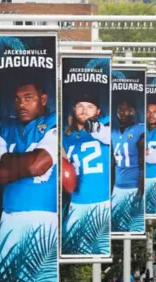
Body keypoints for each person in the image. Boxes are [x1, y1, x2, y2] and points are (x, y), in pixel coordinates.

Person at [0, 79, 58, 282]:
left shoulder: (53, 123)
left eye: (28, 98)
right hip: (9, 214)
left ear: (43, 99)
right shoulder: (7, 126)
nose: (21, 104)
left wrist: (11, 161)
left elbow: (37, 165)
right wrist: (25, 161)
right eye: (17, 99)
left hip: (41, 215)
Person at [62, 91, 111, 253]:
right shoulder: (66, 136)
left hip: (101, 202)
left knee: (101, 250)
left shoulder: (105, 125)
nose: (84, 110)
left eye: (90, 107)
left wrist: (96, 128)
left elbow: (110, 136)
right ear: (74, 109)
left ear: (98, 112)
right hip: (76, 203)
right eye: (80, 106)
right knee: (76, 253)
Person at [110, 101, 145, 232]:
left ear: (132, 112)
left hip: (134, 187)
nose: (121, 112)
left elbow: (144, 165)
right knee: (116, 228)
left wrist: (140, 192)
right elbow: (113, 164)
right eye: (119, 109)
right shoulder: (113, 133)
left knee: (135, 227)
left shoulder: (140, 131)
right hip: (118, 188)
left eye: (124, 109)